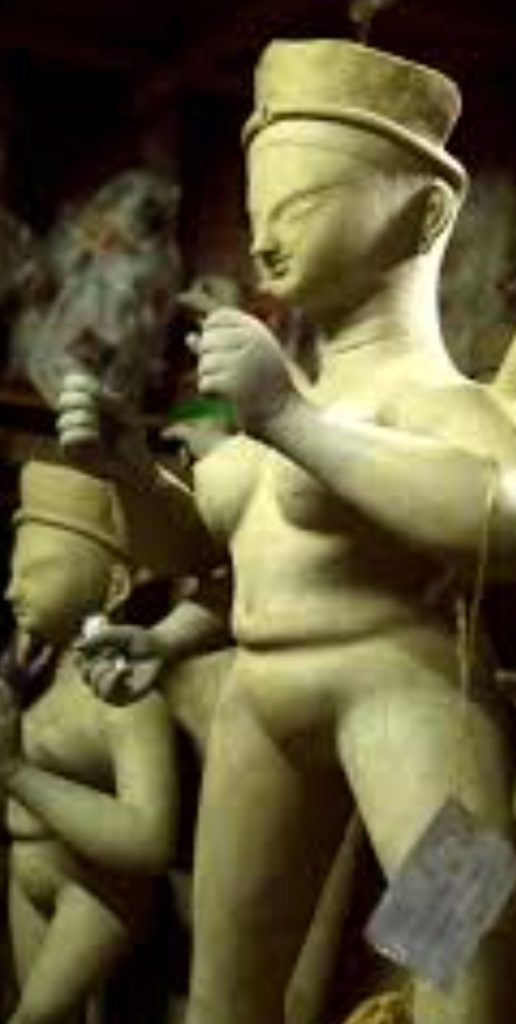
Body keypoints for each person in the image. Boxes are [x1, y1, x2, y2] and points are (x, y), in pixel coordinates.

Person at [58, 41, 516, 1024]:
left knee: (459, 972)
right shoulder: (281, 400)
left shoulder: (432, 403)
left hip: (405, 695)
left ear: (426, 212)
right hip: (261, 701)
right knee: (227, 999)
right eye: (258, 212)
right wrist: (130, 476)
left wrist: (290, 422)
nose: (264, 241)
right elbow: (209, 553)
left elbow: (502, 516)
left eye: (298, 207)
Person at [0, 460, 176, 1024]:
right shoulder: (34, 680)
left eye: (37, 572)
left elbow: (149, 840)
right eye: (13, 572)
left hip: (97, 894)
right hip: (27, 868)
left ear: (114, 585)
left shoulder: (128, 702)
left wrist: (16, 772)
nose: (11, 590)